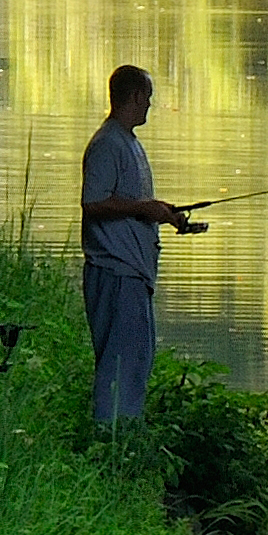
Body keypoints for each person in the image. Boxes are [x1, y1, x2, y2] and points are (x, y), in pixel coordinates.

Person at [79, 62, 202, 426]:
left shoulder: (129, 143)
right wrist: (143, 208)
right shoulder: (107, 144)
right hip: (115, 270)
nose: (150, 103)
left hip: (134, 272)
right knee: (121, 360)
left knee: (137, 358)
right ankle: (111, 438)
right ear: (134, 96)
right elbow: (93, 202)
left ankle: (124, 433)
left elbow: (130, 204)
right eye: (147, 96)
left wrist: (164, 214)